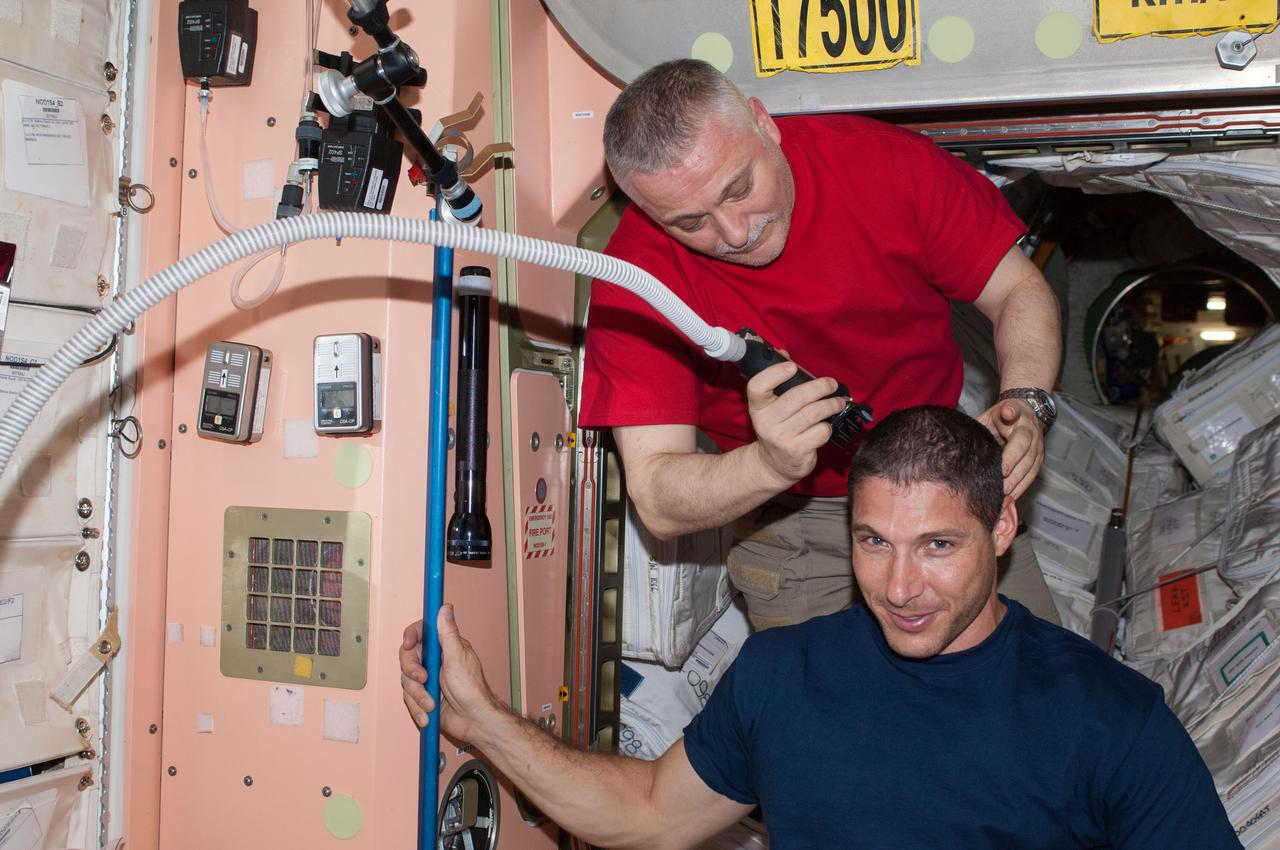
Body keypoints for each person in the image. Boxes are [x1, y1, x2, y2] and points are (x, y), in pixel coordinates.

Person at [400, 406, 1238, 849]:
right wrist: (486, 724)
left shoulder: (1111, 719)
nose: (900, 586)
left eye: (938, 545)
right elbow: (650, 813)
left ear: (1004, 528)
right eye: (874, 542)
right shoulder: (781, 673)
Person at [579, 59, 1064, 629]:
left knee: (1041, 688)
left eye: (739, 188)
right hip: (797, 523)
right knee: (826, 713)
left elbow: (1016, 290)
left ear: (765, 123)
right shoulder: (635, 276)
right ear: (644, 208)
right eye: (690, 223)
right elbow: (657, 496)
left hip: (946, 479)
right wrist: (769, 462)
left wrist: (1028, 402)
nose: (735, 233)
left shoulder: (882, 164)